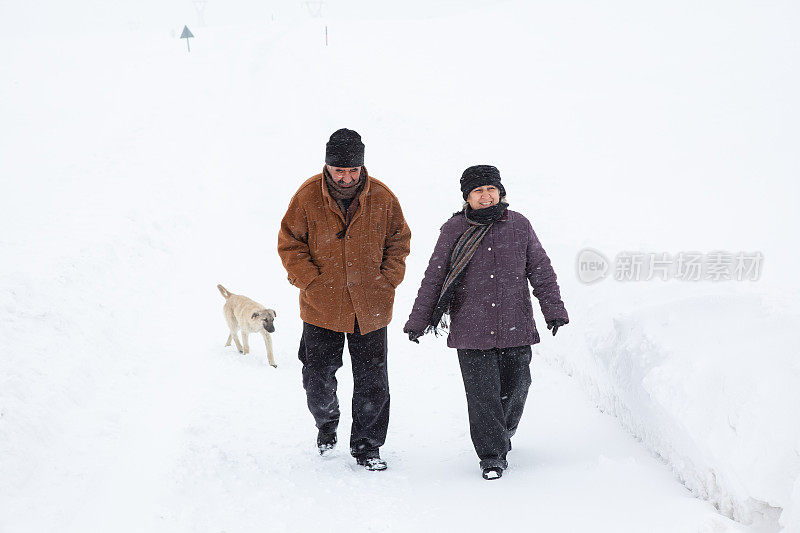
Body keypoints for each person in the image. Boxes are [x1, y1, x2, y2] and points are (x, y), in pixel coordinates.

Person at [403, 164, 568, 480]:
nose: (486, 196)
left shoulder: (519, 225)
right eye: (478, 191)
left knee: (518, 387)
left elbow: (541, 270)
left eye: (491, 189)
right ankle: (491, 456)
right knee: (482, 396)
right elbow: (435, 276)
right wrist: (418, 320)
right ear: (467, 197)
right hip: (471, 328)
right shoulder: (454, 229)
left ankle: (503, 432)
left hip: (515, 325)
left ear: (500, 191)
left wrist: (554, 310)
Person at [277, 128, 411, 471]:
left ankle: (368, 447)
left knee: (372, 382)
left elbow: (399, 241)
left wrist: (387, 280)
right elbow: (290, 243)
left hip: (371, 307)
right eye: (340, 170)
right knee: (317, 379)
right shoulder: (307, 196)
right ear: (327, 166)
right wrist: (311, 282)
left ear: (362, 167)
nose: (347, 177)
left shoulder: (382, 196)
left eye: (353, 170)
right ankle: (327, 420)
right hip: (322, 307)